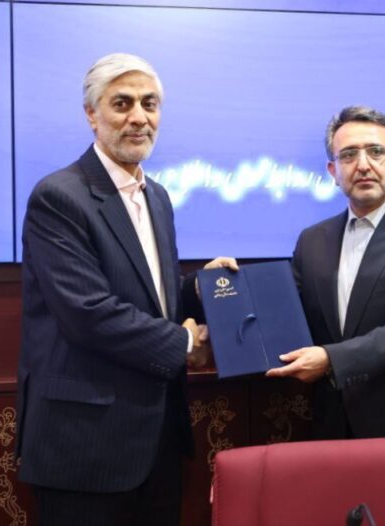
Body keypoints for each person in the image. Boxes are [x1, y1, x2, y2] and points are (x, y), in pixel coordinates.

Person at [16, 53, 235, 526]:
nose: (139, 117)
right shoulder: (59, 196)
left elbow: (148, 294)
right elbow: (87, 313)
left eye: (150, 104)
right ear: (91, 115)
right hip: (84, 448)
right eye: (122, 103)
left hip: (157, 441)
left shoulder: (157, 196)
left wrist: (199, 288)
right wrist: (185, 342)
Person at [266, 105, 385, 439]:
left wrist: (331, 359)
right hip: (333, 426)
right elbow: (282, 313)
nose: (363, 165)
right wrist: (218, 290)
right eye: (349, 155)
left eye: (376, 152)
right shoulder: (312, 241)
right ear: (333, 170)